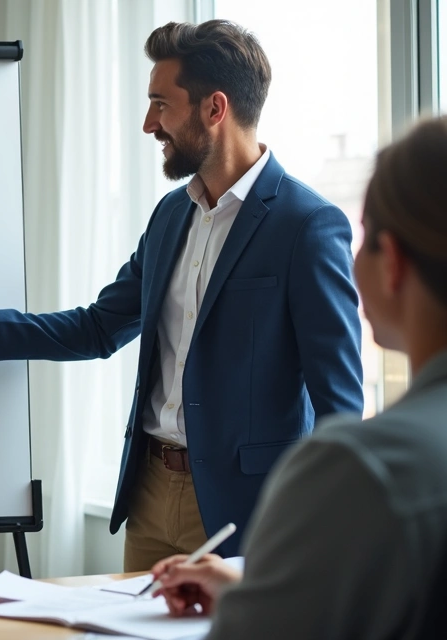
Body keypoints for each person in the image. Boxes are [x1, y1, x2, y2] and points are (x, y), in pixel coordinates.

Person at [0, 20, 363, 570]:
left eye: (160, 104)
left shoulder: (307, 225)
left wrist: (318, 526)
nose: (149, 124)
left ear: (214, 109)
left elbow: (340, 405)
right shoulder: (171, 216)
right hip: (148, 495)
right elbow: (99, 327)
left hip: (247, 513)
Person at [148, 115, 447, 639]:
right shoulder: (174, 214)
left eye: (366, 238)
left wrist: (261, 600)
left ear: (392, 262)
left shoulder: (359, 469)